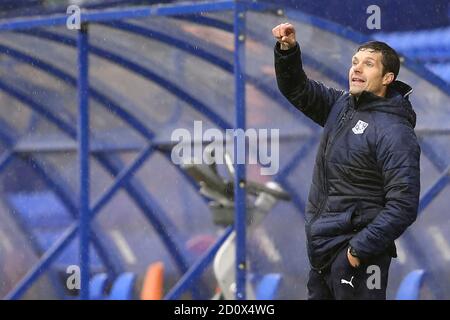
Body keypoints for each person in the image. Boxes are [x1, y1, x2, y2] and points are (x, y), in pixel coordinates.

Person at [272, 23, 421, 299]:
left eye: (368, 64)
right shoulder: (340, 106)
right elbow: (297, 89)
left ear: (387, 78)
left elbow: (403, 205)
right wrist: (287, 50)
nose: (356, 69)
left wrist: (357, 250)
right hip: (323, 253)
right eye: (354, 63)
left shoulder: (396, 131)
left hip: (358, 258)